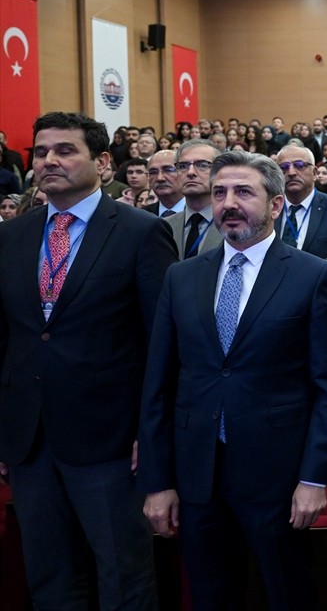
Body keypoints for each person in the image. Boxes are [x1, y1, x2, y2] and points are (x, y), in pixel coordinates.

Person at [140, 150, 327, 611]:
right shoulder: (181, 277)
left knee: (287, 593)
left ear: (275, 205)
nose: (228, 203)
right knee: (212, 596)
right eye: (220, 193)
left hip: (277, 477)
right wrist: (158, 481)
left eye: (243, 192)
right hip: (198, 477)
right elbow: (159, 384)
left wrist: (314, 478)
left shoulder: (312, 276)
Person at [0, 111, 176, 610]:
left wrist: (152, 429)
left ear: (101, 161)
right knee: (50, 577)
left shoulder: (140, 233)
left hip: (112, 441)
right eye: (40, 152)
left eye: (65, 150)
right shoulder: (11, 236)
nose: (49, 160)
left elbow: (162, 341)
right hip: (30, 441)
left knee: (124, 576)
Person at [275, 145, 327, 259]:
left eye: (299, 165)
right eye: (284, 167)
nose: (291, 172)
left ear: (314, 173)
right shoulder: (268, 209)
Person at [167, 139, 225, 259]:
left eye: (202, 165)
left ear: (220, 171)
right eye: (183, 166)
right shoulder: (166, 225)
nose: (190, 172)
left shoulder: (235, 223)